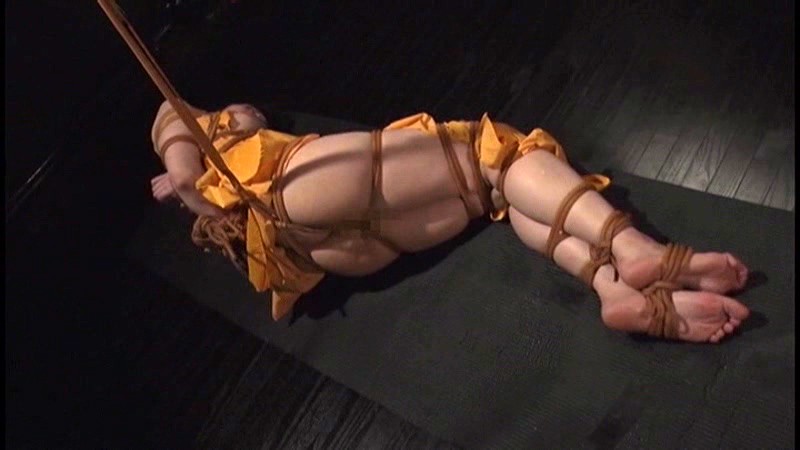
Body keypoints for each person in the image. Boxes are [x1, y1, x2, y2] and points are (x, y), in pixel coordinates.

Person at [149, 100, 750, 343]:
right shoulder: (187, 121)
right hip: (299, 183)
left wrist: (193, 194)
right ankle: (633, 245)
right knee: (497, 150)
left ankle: (612, 287)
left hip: (326, 257)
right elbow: (185, 172)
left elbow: (185, 185)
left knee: (496, 193)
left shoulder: (193, 163)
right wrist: (192, 181)